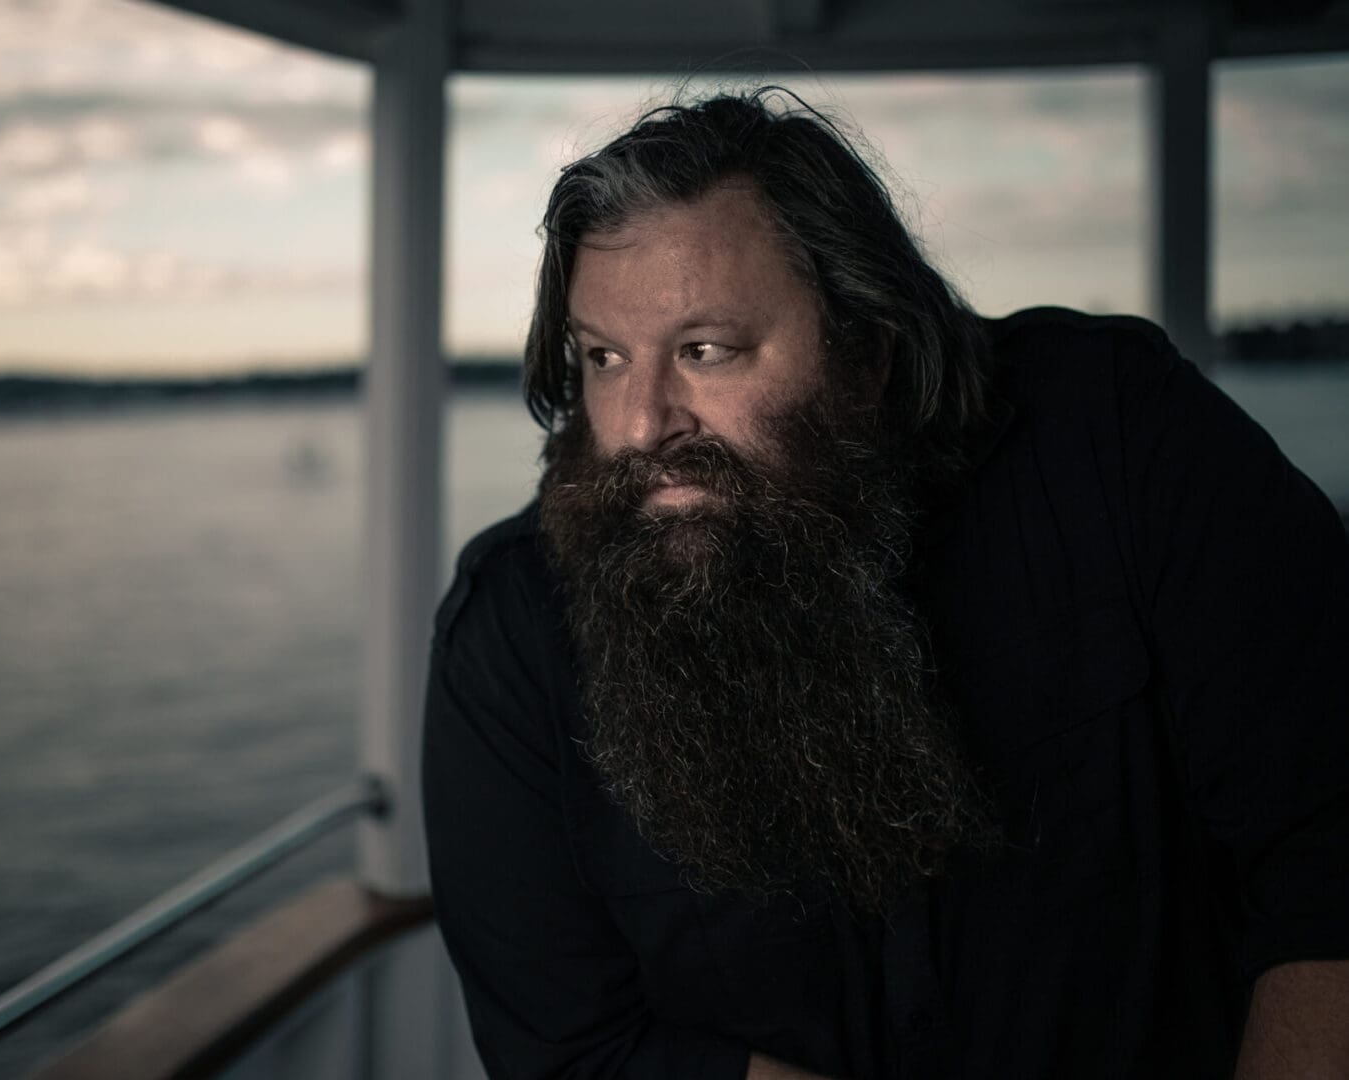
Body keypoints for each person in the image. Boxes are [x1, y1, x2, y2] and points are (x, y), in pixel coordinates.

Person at [420, 89, 1349, 1080]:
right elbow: (578, 1052)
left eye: (706, 352)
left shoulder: (1114, 437)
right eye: (604, 357)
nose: (643, 423)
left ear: (867, 350)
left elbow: (1329, 847)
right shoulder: (514, 630)